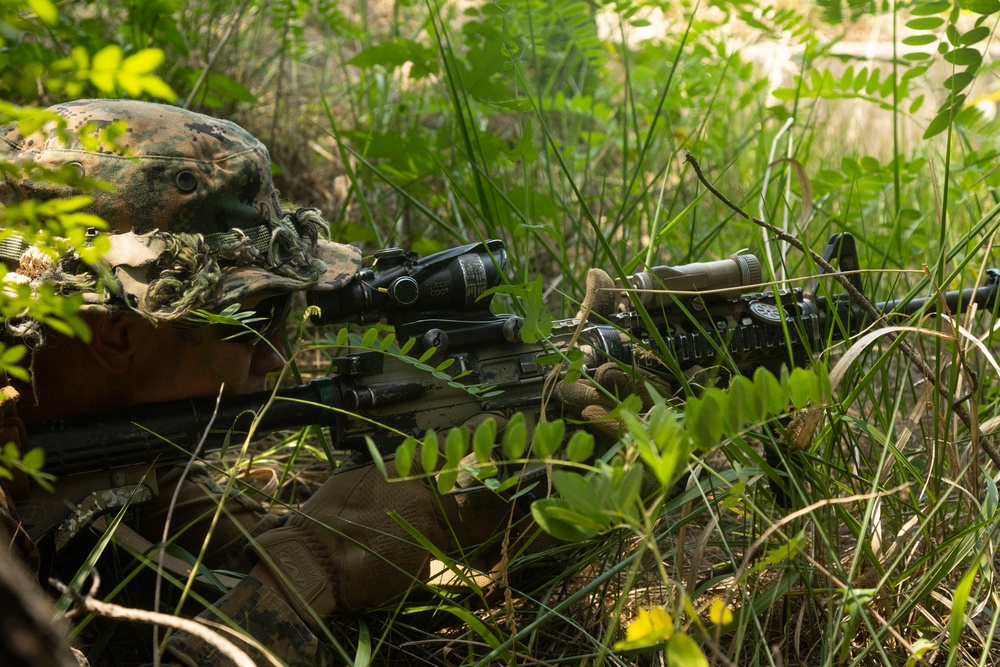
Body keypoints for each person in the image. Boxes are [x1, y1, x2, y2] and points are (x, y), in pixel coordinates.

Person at [0, 99, 517, 666]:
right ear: (118, 335)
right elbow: (307, 565)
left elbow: (249, 559)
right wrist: (315, 566)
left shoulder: (89, 449)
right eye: (255, 320)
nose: (276, 359)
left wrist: (500, 515)